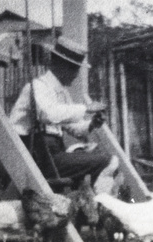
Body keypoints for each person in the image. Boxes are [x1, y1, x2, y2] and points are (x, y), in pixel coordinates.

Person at [9, 36, 115, 185]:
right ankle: (95, 201)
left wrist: (91, 124)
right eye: (76, 69)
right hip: (36, 158)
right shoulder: (38, 87)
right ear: (64, 66)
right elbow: (48, 115)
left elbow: (73, 128)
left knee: (100, 157)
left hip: (53, 154)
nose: (77, 75)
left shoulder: (60, 93)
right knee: (106, 160)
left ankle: (87, 199)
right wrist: (86, 108)